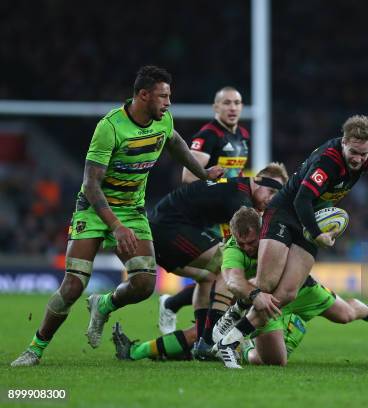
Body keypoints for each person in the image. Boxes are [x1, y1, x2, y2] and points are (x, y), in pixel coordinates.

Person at [11, 65, 224, 367]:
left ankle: (104, 304)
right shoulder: (110, 128)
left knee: (144, 284)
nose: (168, 102)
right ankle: (35, 348)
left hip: (132, 209)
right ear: (143, 95)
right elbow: (91, 184)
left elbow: (175, 142)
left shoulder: (162, 121)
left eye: (169, 96)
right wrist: (117, 227)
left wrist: (202, 172)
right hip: (95, 208)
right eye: (163, 96)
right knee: (73, 285)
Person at [213, 114, 368, 368]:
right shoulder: (327, 161)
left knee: (286, 293)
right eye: (353, 152)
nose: (358, 159)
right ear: (344, 141)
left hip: (311, 219)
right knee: (266, 283)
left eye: (363, 154)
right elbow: (301, 200)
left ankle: (230, 340)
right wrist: (317, 234)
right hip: (284, 215)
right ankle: (232, 319)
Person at [111, 207, 368, 366]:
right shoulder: (234, 248)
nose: (249, 248)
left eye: (252, 242)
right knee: (273, 362)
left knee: (346, 315)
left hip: (301, 290)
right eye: (243, 242)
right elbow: (233, 279)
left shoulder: (277, 234)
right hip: (260, 305)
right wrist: (255, 294)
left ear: (261, 230)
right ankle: (247, 344)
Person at [148, 163, 288, 351]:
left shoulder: (238, 190)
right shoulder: (240, 199)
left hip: (170, 227)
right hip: (168, 227)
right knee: (228, 266)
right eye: (270, 191)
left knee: (209, 278)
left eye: (276, 195)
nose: (271, 199)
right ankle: (207, 341)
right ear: (257, 181)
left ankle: (188, 324)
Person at [159, 87, 250, 334]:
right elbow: (188, 176)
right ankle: (189, 316)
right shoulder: (208, 135)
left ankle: (199, 325)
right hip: (207, 213)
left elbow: (236, 175)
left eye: (237, 103)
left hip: (227, 213)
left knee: (225, 273)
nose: (232, 107)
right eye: (227, 103)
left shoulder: (242, 135)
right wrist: (222, 186)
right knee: (226, 271)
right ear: (215, 107)